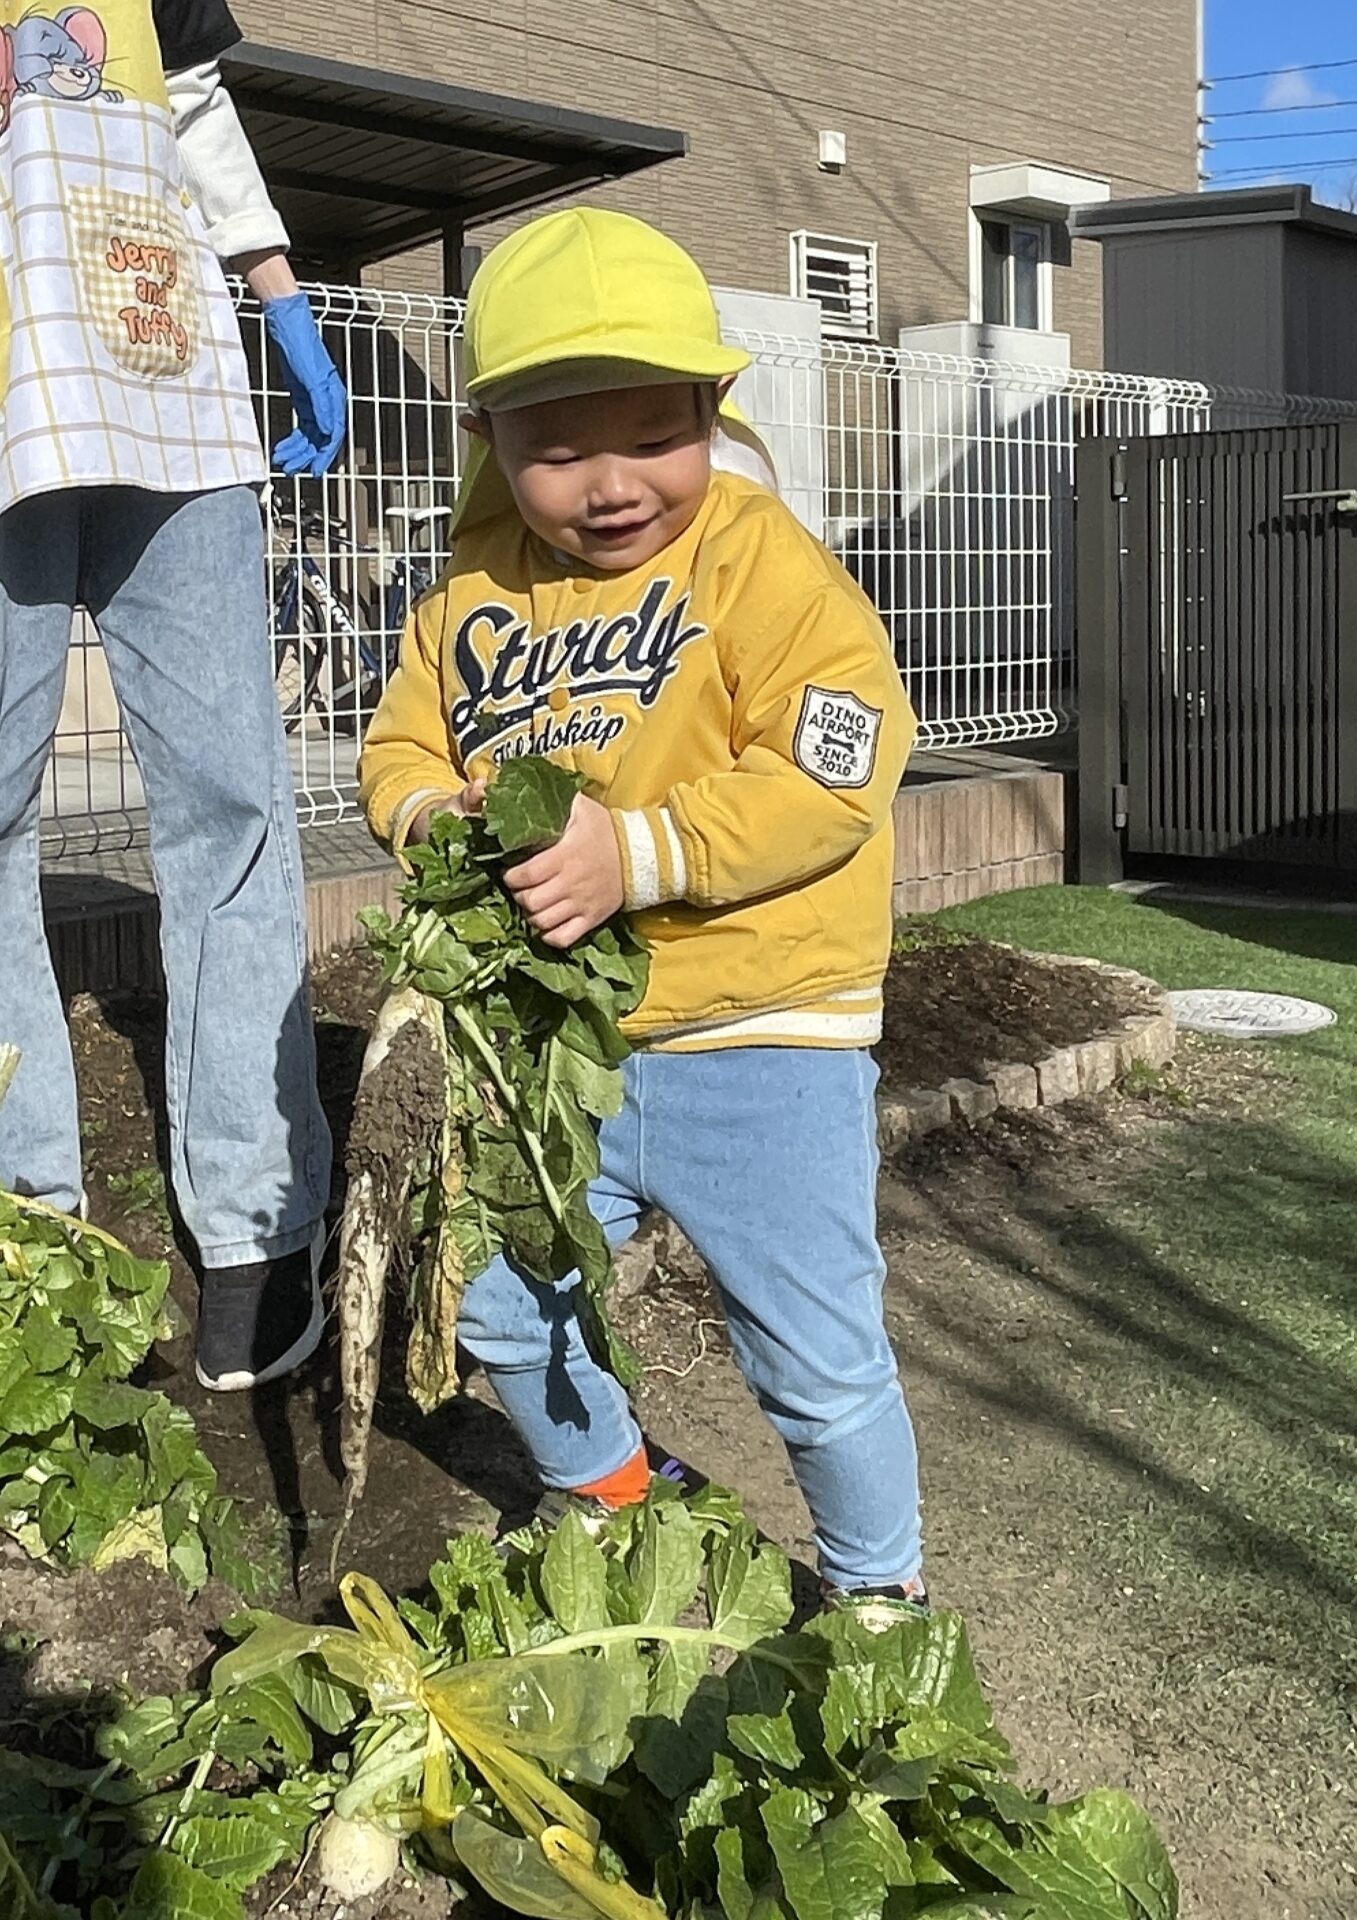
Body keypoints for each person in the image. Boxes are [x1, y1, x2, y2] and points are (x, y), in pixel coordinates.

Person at [360, 207, 926, 1621]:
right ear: (491, 436)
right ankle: (614, 1489)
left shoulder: (762, 565)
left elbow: (839, 761)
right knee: (495, 1291)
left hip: (764, 1033)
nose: (610, 485)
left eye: (649, 437)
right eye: (558, 448)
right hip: (563, 1050)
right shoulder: (471, 598)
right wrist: (437, 821)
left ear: (710, 411)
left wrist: (645, 854)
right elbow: (396, 754)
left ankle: (878, 1599)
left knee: (811, 1351)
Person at [0, 0, 342, 1390]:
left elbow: (192, 99)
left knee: (233, 803)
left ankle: (259, 1219)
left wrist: (282, 296)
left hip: (166, 374)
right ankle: (33, 1218)